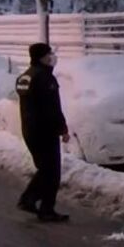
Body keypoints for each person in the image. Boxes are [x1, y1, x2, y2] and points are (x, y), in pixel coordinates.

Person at [15, 42, 71, 222]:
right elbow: (52, 108)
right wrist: (62, 129)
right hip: (45, 131)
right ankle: (45, 208)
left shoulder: (25, 77)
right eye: (49, 53)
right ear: (41, 57)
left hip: (30, 130)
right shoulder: (45, 78)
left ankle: (29, 200)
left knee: (45, 169)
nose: (52, 56)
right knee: (52, 172)